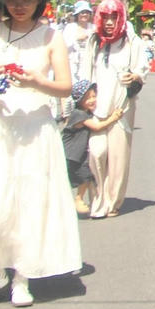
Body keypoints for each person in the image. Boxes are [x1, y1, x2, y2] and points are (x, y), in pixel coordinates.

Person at [0, 0, 80, 309]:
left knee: (29, 204)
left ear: (39, 2)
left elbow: (65, 86)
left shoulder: (51, 37)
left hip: (35, 128)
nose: (19, 6)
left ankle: (22, 277)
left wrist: (35, 82)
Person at [80, 0, 146, 219]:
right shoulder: (94, 41)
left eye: (114, 17)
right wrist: (81, 104)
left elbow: (141, 70)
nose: (109, 22)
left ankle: (112, 202)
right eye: (105, 17)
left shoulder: (131, 41)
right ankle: (97, 198)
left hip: (122, 108)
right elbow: (84, 73)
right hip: (96, 107)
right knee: (96, 153)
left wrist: (134, 76)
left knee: (118, 159)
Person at [62, 79, 124, 215]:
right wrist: (113, 118)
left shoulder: (85, 112)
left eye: (93, 96)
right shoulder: (79, 114)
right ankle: (77, 199)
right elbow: (97, 127)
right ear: (79, 100)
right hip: (71, 153)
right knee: (81, 176)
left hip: (78, 153)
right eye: (87, 98)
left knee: (84, 175)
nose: (92, 100)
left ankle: (76, 199)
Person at [63, 0, 95, 77]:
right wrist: (77, 39)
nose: (84, 14)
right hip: (72, 63)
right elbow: (64, 45)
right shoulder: (70, 27)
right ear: (77, 14)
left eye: (87, 12)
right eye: (82, 12)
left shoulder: (93, 28)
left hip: (89, 63)